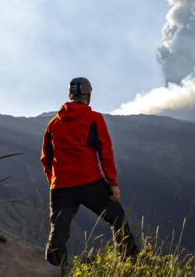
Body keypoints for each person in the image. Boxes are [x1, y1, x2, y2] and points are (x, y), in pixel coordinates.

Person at [41, 76, 139, 268]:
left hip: (61, 187)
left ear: (70, 95)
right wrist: (112, 183)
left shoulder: (53, 124)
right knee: (117, 218)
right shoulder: (94, 118)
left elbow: (45, 158)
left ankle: (53, 271)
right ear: (88, 95)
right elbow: (105, 152)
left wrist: (54, 182)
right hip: (89, 182)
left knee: (58, 235)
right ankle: (129, 265)